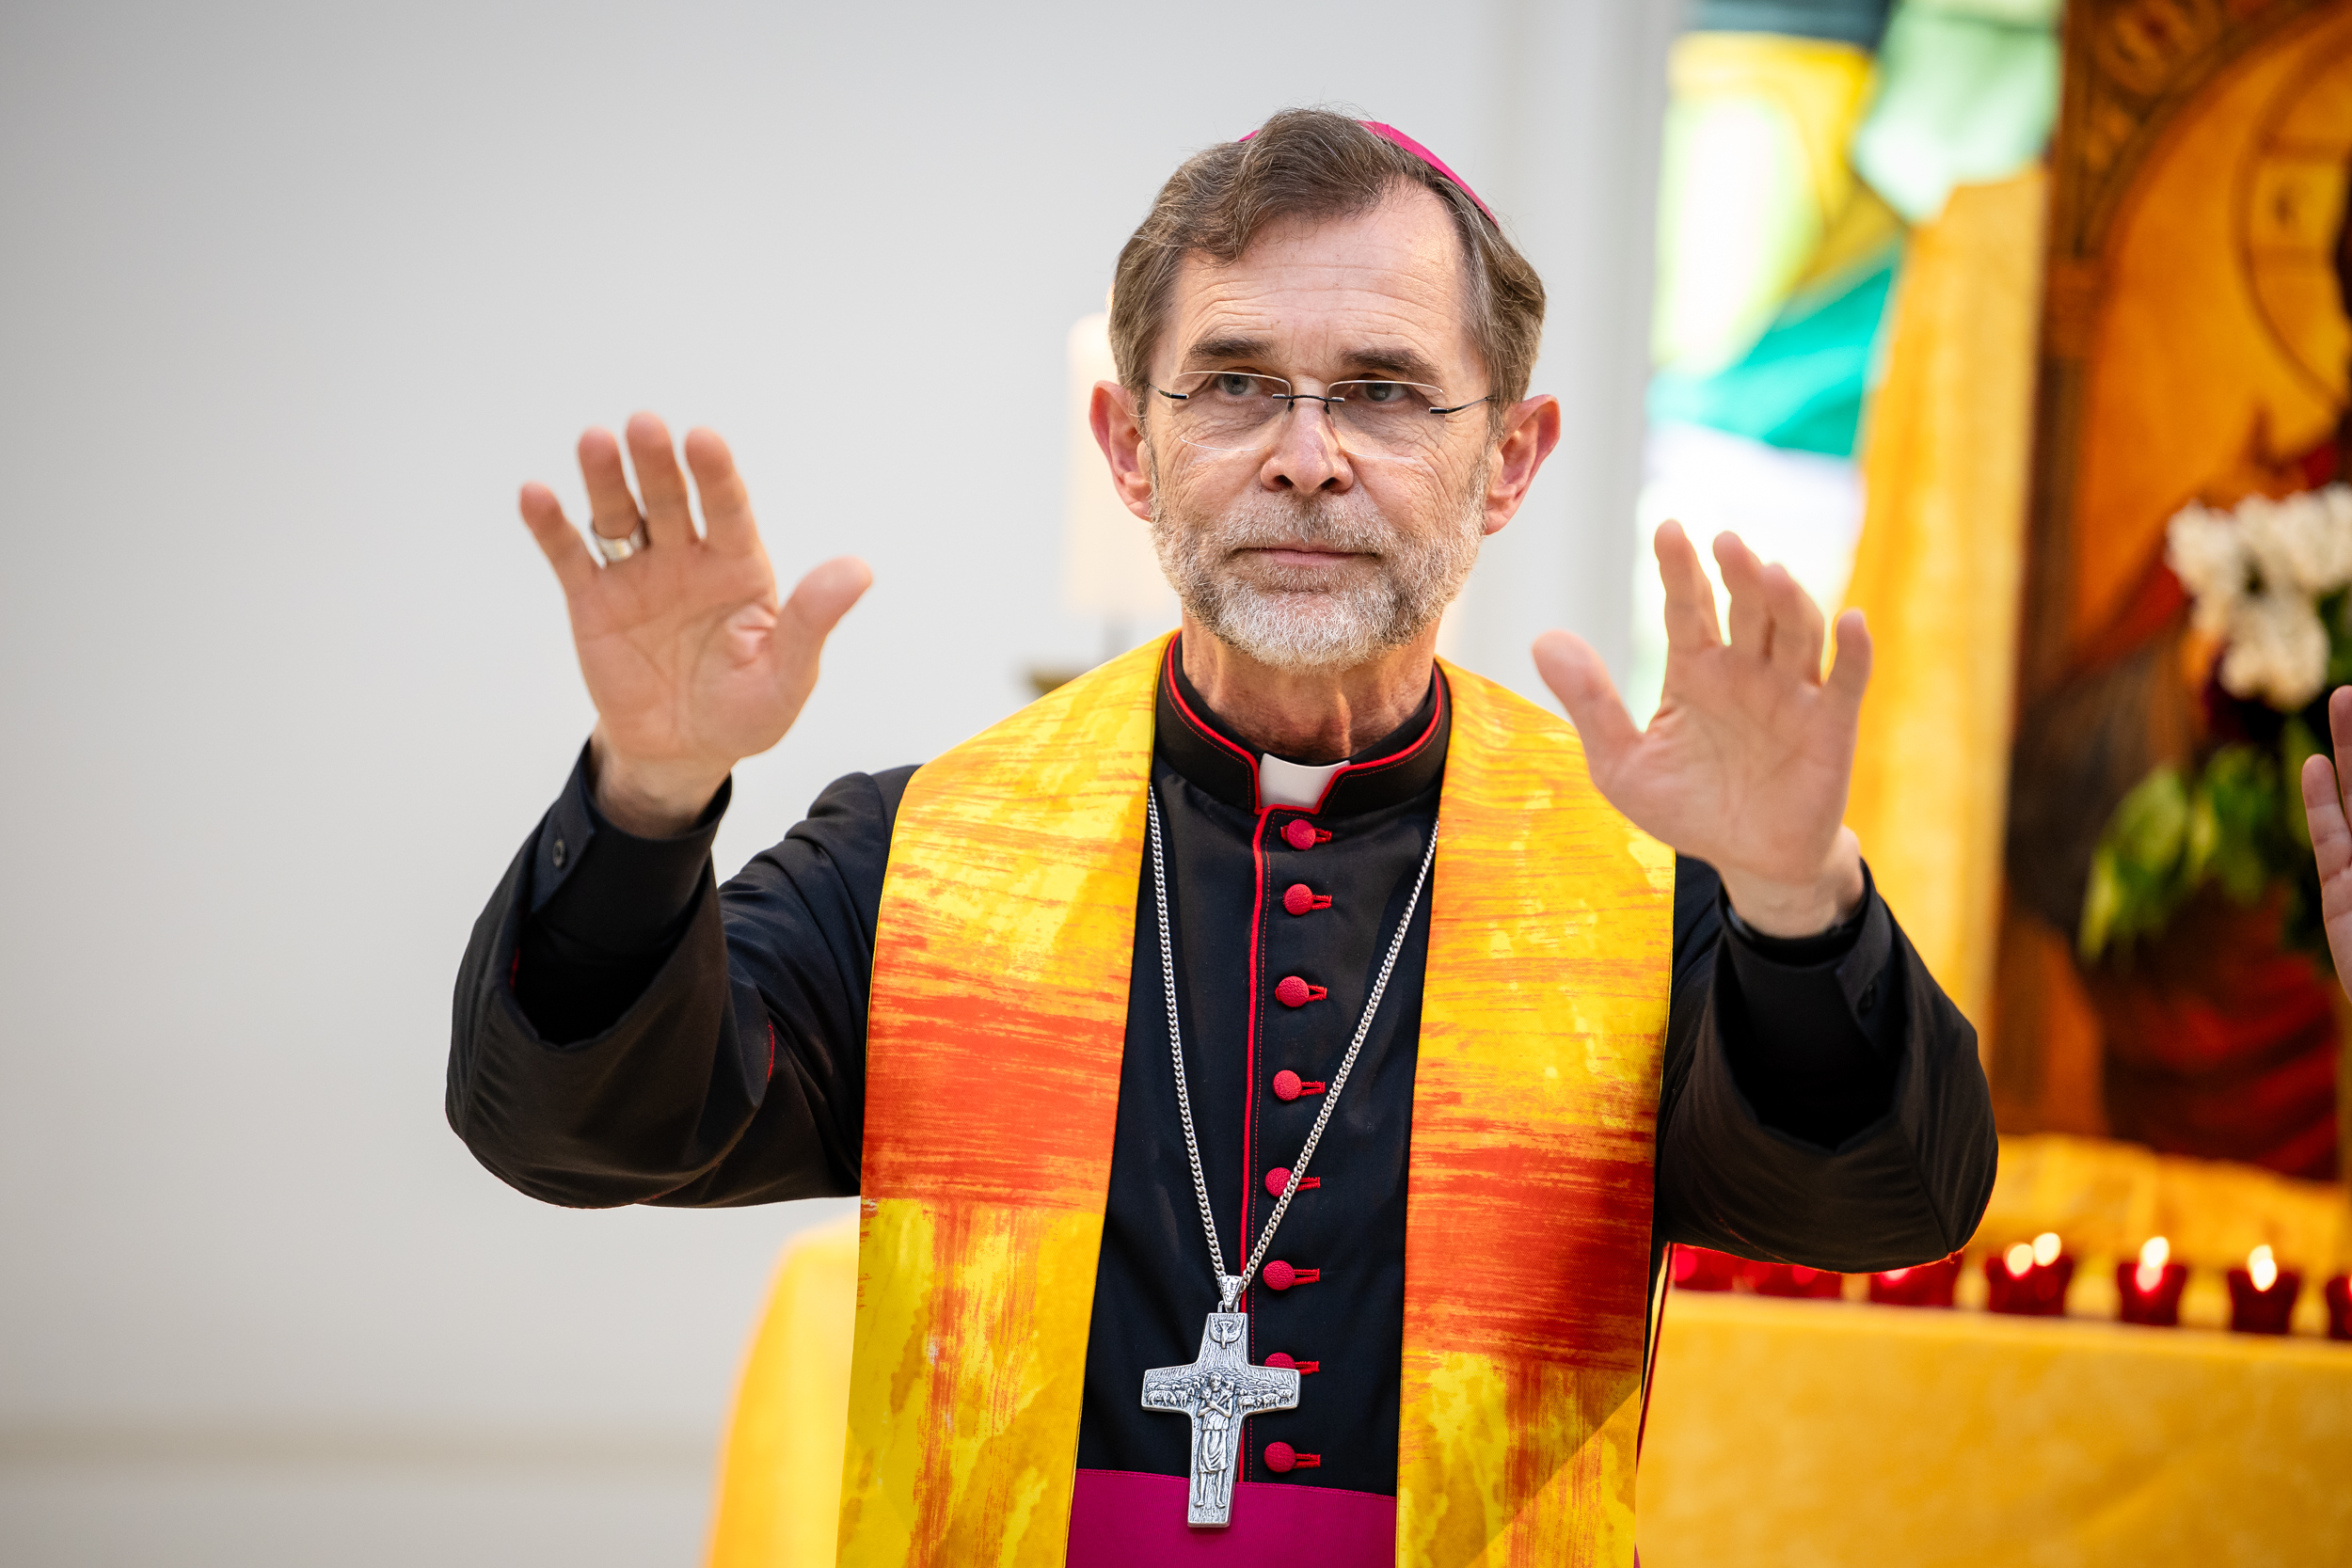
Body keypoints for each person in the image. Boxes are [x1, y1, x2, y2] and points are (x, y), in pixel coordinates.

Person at [448, 109, 1994, 1567]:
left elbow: (1879, 1208)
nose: (1306, 456)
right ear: (1131, 446)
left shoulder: (1641, 887)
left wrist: (1797, 895)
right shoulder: (928, 855)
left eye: (1383, 391)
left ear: (1509, 461)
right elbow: (578, 1131)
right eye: (1237, 384)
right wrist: (648, 798)